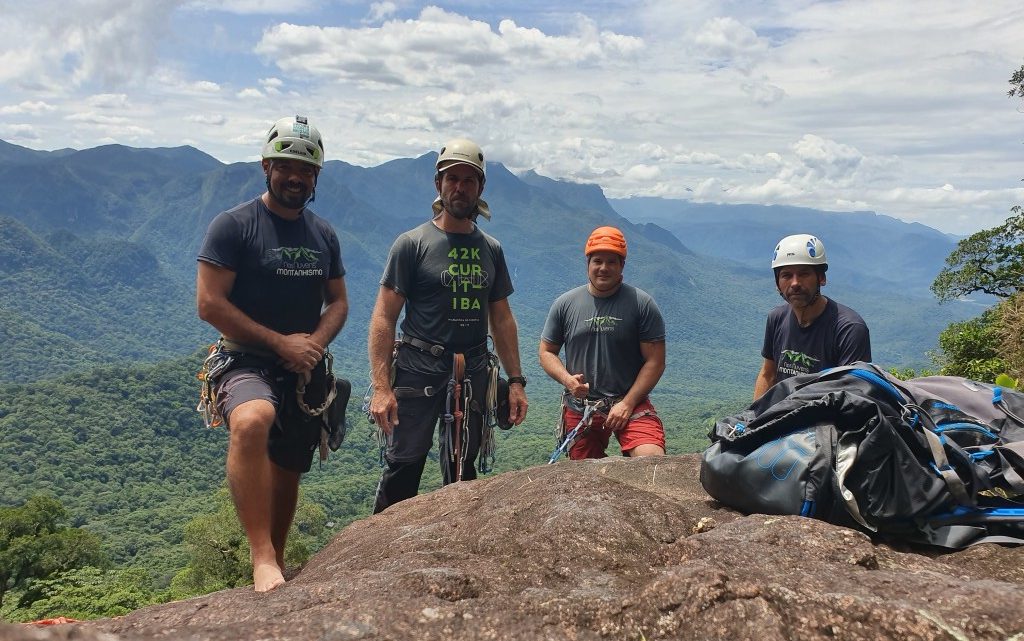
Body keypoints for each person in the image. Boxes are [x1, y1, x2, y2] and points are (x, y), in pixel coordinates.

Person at [196, 115, 348, 592]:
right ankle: (261, 557)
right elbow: (209, 303)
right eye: (286, 166)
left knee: (288, 465)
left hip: (303, 364)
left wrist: (314, 344)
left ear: (317, 178)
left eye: (306, 170)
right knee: (252, 419)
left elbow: (339, 301)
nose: (296, 178)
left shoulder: (322, 235)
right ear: (266, 166)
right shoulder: (234, 226)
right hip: (244, 357)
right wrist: (280, 342)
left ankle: (276, 558)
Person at [367, 137, 528, 513]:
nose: (460, 187)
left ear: (481, 188)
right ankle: (383, 547)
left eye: (468, 180)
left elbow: (501, 319)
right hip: (417, 368)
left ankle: (454, 547)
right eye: (451, 178)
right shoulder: (412, 244)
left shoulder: (491, 249)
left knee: (462, 467)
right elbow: (383, 317)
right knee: (404, 462)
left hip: (471, 369)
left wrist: (516, 381)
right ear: (438, 184)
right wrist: (381, 387)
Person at [539, 226, 667, 459]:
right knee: (585, 477)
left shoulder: (642, 304)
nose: (604, 268)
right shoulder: (565, 304)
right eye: (598, 261)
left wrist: (627, 404)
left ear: (622, 266)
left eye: (612, 262)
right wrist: (568, 380)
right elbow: (547, 351)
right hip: (582, 406)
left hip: (630, 400)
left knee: (651, 460)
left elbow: (655, 362)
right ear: (588, 263)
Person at [754, 233, 871, 398]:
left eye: (804, 274)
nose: (795, 283)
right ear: (777, 283)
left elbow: (852, 396)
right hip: (780, 418)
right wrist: (754, 419)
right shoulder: (777, 318)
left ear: (821, 278)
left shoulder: (849, 329)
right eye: (786, 275)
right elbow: (768, 374)